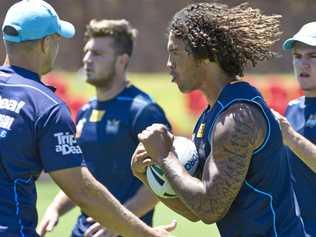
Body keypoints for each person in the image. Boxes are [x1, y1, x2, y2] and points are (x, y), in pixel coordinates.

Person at [131, 2, 309, 237]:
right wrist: (146, 175)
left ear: (206, 55)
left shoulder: (237, 118)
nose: (168, 63)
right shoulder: (210, 116)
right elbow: (196, 209)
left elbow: (210, 207)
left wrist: (165, 156)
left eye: (175, 52)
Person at [0, 1, 176, 236]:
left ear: (122, 60)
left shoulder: (143, 110)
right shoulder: (50, 107)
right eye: (87, 52)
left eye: (98, 54)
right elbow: (80, 184)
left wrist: (120, 224)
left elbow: (164, 177)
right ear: (46, 43)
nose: (87, 60)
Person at [273, 21, 316, 236]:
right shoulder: (292, 109)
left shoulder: (287, 128)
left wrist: (290, 137)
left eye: (313, 56)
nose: (303, 64)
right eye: (297, 57)